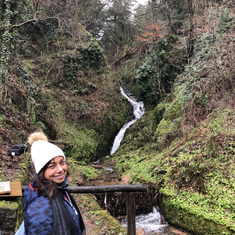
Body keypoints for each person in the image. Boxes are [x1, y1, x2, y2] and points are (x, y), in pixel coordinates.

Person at [23, 131, 86, 235]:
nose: (60, 169)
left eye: (62, 162)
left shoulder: (59, 190)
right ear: (41, 172)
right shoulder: (40, 211)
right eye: (52, 166)